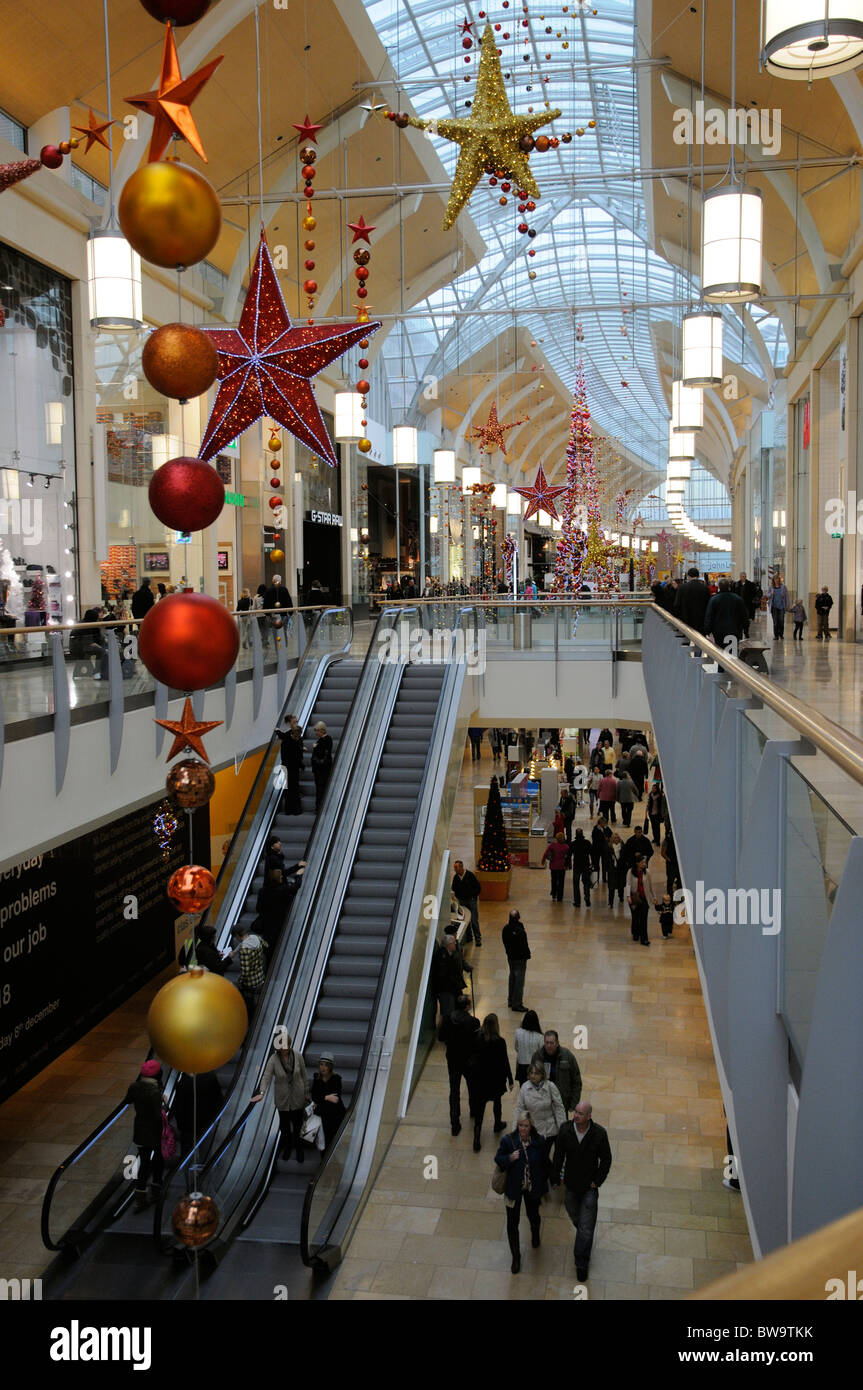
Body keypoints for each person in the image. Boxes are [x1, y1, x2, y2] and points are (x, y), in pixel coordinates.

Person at [555, 1099, 613, 1281]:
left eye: (580, 1114)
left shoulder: (599, 1134)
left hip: (589, 1187)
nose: (576, 1116)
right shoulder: (565, 1130)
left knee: (586, 1228)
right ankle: (584, 1239)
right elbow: (558, 1154)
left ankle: (581, 1262)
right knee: (577, 1219)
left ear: (589, 1116)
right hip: (571, 1186)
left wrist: (597, 1181)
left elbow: (606, 1160)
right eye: (575, 1112)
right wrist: (555, 1176)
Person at [494, 1113, 549, 1273]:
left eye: (525, 1126)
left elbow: (545, 1164)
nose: (522, 1129)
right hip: (513, 1189)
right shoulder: (508, 1141)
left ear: (531, 1126)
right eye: (520, 1125)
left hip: (532, 1189)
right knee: (512, 1224)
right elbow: (498, 1159)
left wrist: (547, 1182)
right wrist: (509, 1158)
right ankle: (516, 1257)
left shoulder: (539, 1142)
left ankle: (535, 1233)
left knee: (534, 1215)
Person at [252, 1032, 310, 1164]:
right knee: (284, 1128)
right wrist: (262, 1092)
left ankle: (299, 1149)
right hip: (283, 1099)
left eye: (286, 1045)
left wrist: (307, 1092)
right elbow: (266, 1076)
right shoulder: (273, 1059)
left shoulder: (298, 1056)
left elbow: (304, 1075)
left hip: (297, 1097)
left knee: (297, 1126)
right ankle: (287, 1148)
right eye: (282, 1045)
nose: (284, 1048)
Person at [468, 1013, 514, 1151]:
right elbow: (505, 1062)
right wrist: (510, 1079)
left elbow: (472, 1056)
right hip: (495, 1079)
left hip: (481, 1080)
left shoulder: (477, 1038)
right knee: (497, 1102)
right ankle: (497, 1124)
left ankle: (477, 1136)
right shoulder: (500, 1041)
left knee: (480, 1108)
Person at [125, 1059, 165, 1211]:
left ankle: (140, 1197)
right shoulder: (155, 1091)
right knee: (158, 1158)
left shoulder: (135, 1087)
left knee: (144, 1162)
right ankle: (156, 1187)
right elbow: (156, 1115)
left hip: (140, 1131)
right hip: (154, 1131)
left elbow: (128, 1101)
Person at [438, 994, 480, 1136]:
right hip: (468, 1061)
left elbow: (441, 1037)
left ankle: (454, 1123)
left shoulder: (448, 1019)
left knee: (454, 1091)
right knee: (472, 1086)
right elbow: (477, 1043)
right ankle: (473, 1110)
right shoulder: (474, 1022)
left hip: (453, 1060)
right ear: (468, 1006)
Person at [514, 1061, 566, 1175]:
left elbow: (559, 1108)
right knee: (538, 1157)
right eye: (531, 1073)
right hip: (533, 1129)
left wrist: (563, 1128)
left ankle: (550, 1177)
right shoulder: (525, 1087)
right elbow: (519, 1108)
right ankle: (549, 1176)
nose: (533, 1075)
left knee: (542, 1155)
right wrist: (515, 1129)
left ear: (542, 1074)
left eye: (536, 1073)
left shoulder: (550, 1086)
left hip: (549, 1130)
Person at [531, 1029, 582, 1124]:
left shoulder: (567, 1056)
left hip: (561, 1102)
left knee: (562, 1129)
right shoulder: (537, 1056)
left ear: (557, 1043)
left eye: (552, 1043)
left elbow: (576, 1080)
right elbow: (531, 1079)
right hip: (543, 1102)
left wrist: (574, 1103)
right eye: (547, 1043)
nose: (549, 1046)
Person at [173, 1069, 223, 1159]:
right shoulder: (210, 1077)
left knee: (187, 1156)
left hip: (188, 1126)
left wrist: (180, 1125)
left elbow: (178, 1107)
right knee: (206, 1153)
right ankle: (205, 1170)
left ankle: (186, 1171)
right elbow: (219, 1101)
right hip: (207, 1123)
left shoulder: (183, 1082)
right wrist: (215, 1119)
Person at [431, 933, 471, 1021]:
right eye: (453, 943)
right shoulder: (442, 956)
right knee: (448, 1012)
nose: (455, 944)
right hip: (446, 990)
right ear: (449, 945)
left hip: (451, 988)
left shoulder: (449, 953)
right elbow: (445, 975)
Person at [310, 1052, 346, 1147]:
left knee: (332, 1139)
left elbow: (335, 1099)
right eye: (321, 1064)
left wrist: (321, 1097)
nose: (323, 1068)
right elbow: (314, 1097)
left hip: (334, 1115)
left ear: (330, 1067)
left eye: (326, 1065)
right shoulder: (316, 1078)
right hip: (321, 1114)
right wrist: (326, 1097)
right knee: (322, 1140)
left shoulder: (336, 1079)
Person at [705, 577, 748, 654]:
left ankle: (721, 666)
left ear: (718, 587)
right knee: (733, 655)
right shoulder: (738, 599)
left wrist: (707, 631)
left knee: (721, 654)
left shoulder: (714, 600)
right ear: (729, 586)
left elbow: (709, 616)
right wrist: (745, 629)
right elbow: (744, 615)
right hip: (734, 630)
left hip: (719, 632)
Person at [234, 923, 268, 1013]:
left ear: (237, 936)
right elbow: (266, 945)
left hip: (250, 982)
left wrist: (239, 981)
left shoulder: (244, 949)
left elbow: (245, 971)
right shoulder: (256, 938)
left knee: (248, 1002)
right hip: (260, 976)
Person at [502, 908, 530, 1011]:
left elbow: (505, 942)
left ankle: (510, 1000)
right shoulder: (520, 929)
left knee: (512, 977)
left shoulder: (505, 929)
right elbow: (524, 945)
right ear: (518, 918)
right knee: (519, 981)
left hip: (511, 957)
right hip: (520, 959)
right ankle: (517, 1004)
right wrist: (527, 955)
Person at [627, 853, 656, 946]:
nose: (645, 864)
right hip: (634, 898)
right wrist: (628, 897)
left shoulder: (647, 872)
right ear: (637, 863)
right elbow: (628, 885)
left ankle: (644, 939)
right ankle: (635, 933)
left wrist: (654, 897)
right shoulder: (630, 871)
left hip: (644, 898)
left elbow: (651, 886)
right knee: (635, 917)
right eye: (642, 862)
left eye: (645, 862)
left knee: (644, 919)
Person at [451, 860, 482, 946]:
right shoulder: (456, 878)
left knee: (474, 920)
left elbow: (478, 887)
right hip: (462, 902)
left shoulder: (470, 875)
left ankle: (478, 938)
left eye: (456, 867)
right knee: (465, 919)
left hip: (471, 901)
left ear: (461, 867)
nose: (455, 869)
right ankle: (469, 937)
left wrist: (473, 896)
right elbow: (453, 888)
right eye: (454, 868)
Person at [278, 716, 304, 814]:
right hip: (291, 766)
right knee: (292, 788)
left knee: (290, 788)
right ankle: (294, 809)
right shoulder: (292, 740)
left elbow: (285, 754)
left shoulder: (288, 739)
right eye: (295, 721)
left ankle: (290, 809)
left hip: (289, 766)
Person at [674, 566, 710, 634]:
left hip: (686, 619)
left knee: (687, 639)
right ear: (698, 575)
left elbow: (677, 604)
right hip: (701, 619)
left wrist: (679, 617)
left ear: (688, 576)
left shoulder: (682, 587)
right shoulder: (705, 587)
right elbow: (708, 604)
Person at [513, 1010, 544, 1085]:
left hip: (521, 1065)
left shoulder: (518, 1032)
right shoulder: (540, 1037)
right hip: (534, 1067)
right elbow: (541, 1053)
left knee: (523, 1087)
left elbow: (516, 1048)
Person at [310, 720, 333, 813]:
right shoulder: (326, 739)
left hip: (321, 769)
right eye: (315, 730)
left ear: (323, 730)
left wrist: (315, 748)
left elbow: (321, 753)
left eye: (317, 730)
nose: (316, 732)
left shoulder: (325, 740)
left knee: (320, 788)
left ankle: (319, 808)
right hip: (323, 768)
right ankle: (320, 807)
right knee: (321, 788)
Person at [567, 827, 593, 908]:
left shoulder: (573, 844)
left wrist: (568, 864)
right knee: (586, 882)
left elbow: (569, 855)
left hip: (577, 865)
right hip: (585, 865)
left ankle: (577, 902)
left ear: (575, 834)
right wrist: (593, 863)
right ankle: (587, 897)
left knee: (576, 884)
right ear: (582, 834)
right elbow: (592, 854)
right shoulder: (587, 843)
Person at [541, 831, 569, 902]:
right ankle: (560, 897)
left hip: (553, 866)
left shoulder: (552, 845)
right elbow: (568, 857)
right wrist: (569, 865)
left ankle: (554, 894)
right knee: (561, 881)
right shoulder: (566, 847)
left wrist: (543, 861)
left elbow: (545, 853)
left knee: (553, 880)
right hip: (562, 867)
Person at [768, 573, 789, 640]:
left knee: (781, 621)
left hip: (781, 607)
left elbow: (787, 596)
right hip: (774, 607)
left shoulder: (783, 587)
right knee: (775, 622)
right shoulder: (771, 587)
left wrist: (787, 605)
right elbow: (767, 595)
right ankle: (776, 635)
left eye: (777, 579)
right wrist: (771, 594)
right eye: (775, 579)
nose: (776, 580)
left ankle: (781, 634)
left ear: (779, 580)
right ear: (773, 580)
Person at [647, 781, 665, 845]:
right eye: (652, 788)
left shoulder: (660, 796)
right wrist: (647, 812)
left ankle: (658, 840)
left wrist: (662, 815)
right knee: (653, 827)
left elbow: (662, 806)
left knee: (657, 828)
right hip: (651, 814)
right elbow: (648, 804)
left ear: (657, 789)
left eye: (654, 788)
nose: (653, 789)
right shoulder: (650, 795)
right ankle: (655, 838)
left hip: (657, 814)